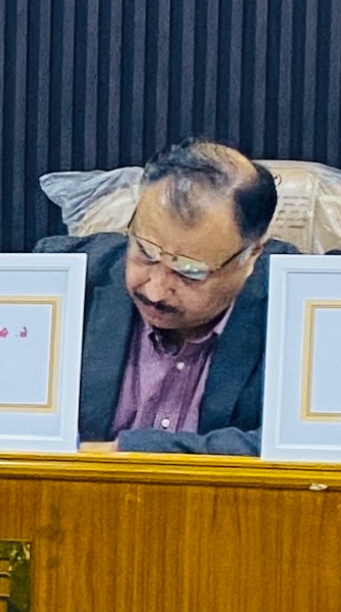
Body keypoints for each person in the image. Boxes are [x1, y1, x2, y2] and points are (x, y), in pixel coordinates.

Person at [74, 141, 277, 454]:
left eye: (190, 272)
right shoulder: (68, 279)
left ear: (251, 255)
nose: (154, 291)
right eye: (145, 252)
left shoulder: (299, 307)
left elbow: (318, 442)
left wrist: (125, 453)